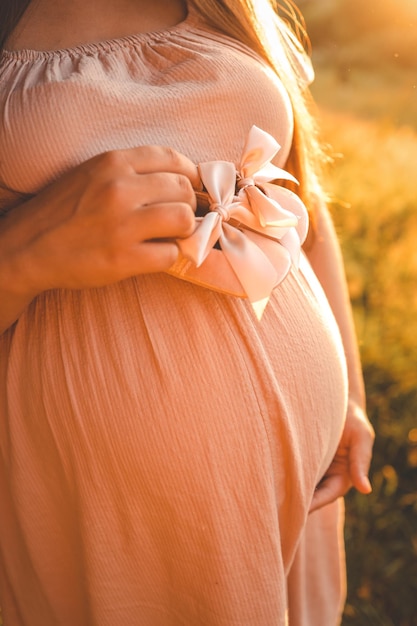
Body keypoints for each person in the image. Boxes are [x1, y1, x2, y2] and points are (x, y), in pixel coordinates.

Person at [0, 0, 375, 624]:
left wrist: (350, 399)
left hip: (295, 491)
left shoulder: (229, 7)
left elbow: (301, 199)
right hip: (108, 513)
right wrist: (25, 248)